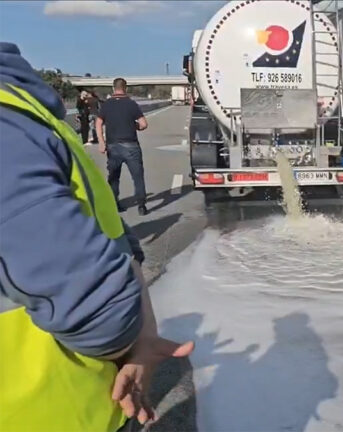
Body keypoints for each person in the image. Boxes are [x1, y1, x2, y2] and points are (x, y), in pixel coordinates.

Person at [0, 42, 193, 431]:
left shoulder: (26, 115)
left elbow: (108, 229)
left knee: (112, 182)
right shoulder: (25, 111)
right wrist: (138, 339)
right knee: (134, 183)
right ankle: (144, 203)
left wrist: (102, 141)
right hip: (45, 410)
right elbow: (98, 306)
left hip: (71, 403)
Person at [97, 78, 149, 215]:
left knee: (114, 177)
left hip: (113, 146)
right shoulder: (131, 104)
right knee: (137, 176)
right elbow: (144, 124)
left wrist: (102, 142)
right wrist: (134, 126)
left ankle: (114, 204)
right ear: (125, 88)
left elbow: (98, 123)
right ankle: (142, 206)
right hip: (131, 146)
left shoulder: (106, 105)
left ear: (113, 89)